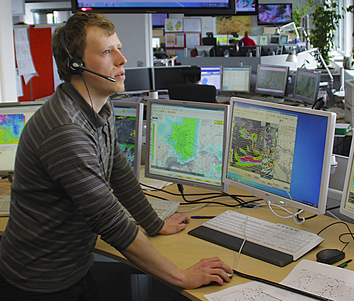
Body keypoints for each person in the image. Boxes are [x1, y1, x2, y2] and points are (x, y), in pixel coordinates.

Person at [0, 12, 232, 300]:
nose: (122, 59)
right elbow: (109, 220)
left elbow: (118, 169)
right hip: (42, 280)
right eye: (107, 52)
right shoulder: (65, 130)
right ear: (76, 65)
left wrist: (154, 223)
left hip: (72, 265)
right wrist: (181, 276)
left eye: (118, 48)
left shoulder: (100, 107)